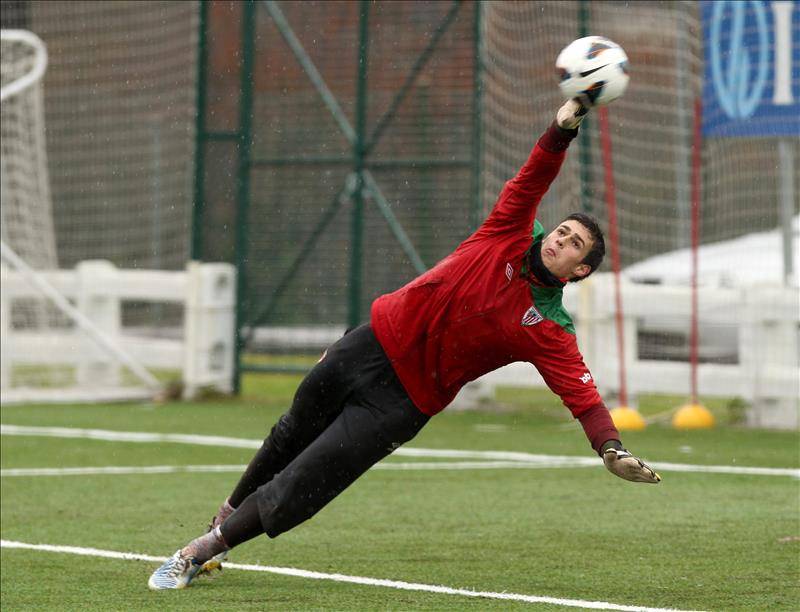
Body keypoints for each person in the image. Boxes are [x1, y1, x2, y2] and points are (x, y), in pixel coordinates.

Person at [148, 98, 660, 591]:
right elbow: (536, 174)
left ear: (582, 270)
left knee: (307, 481)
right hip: (369, 345)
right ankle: (227, 518)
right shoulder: (510, 228)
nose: (560, 241)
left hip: (403, 403)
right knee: (290, 434)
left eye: (574, 244)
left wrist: (609, 448)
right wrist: (564, 125)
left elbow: (583, 396)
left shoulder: (550, 327)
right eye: (563, 231)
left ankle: (198, 550)